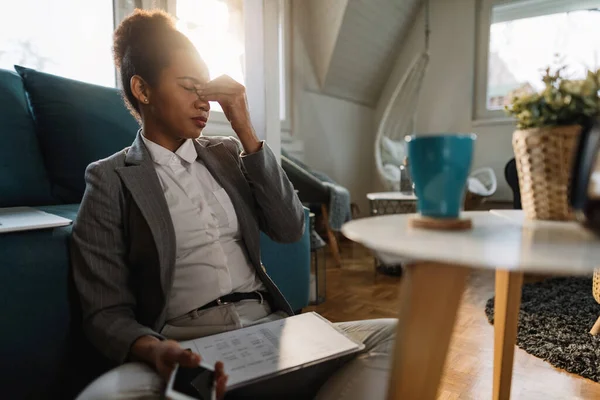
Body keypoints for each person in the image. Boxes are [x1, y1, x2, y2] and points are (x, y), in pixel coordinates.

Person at [72, 9, 397, 400]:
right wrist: (156, 350)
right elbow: (105, 311)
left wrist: (246, 130)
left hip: (270, 330)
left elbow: (290, 228)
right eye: (189, 86)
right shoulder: (110, 178)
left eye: (207, 88)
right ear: (143, 90)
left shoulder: (226, 154)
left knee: (398, 335)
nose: (204, 100)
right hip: (186, 347)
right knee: (103, 396)